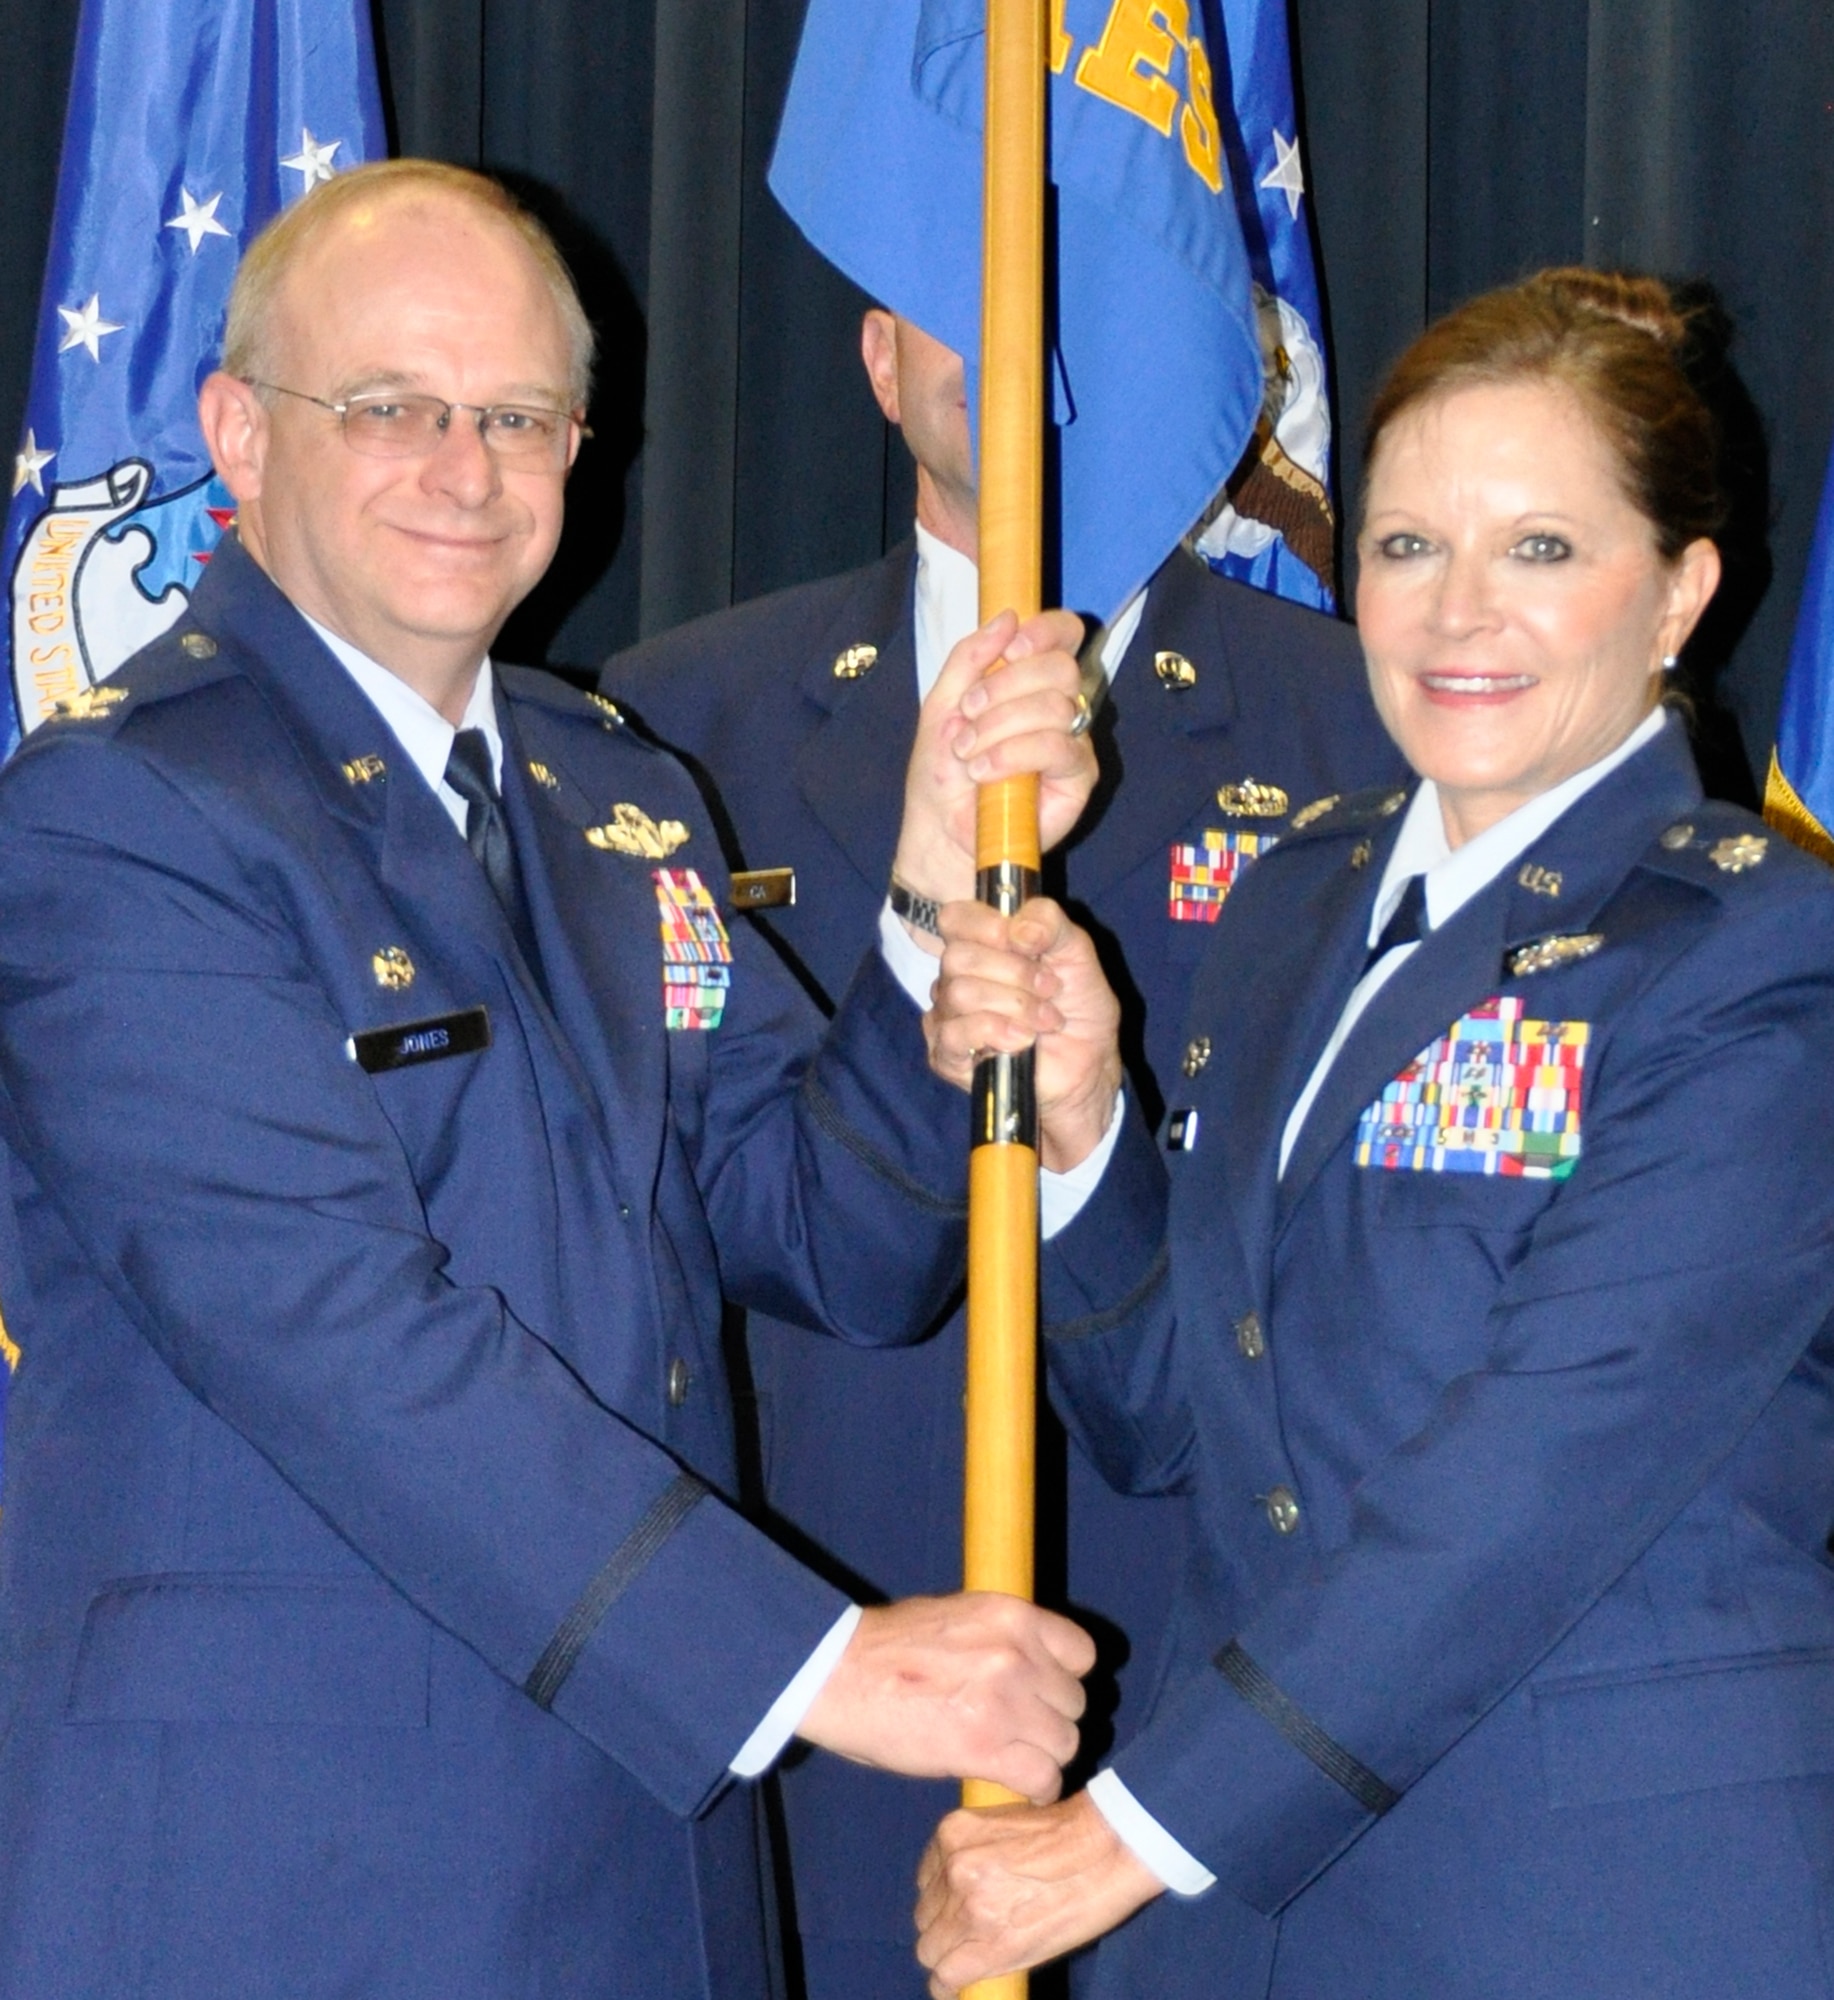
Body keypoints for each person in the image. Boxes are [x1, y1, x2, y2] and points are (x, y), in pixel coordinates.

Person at [0, 161, 1114, 2000]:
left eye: (518, 415)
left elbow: (820, 1235)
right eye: (392, 408)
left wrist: (924, 900)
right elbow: (330, 1329)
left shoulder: (618, 794)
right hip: (292, 1868)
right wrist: (816, 1663)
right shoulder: (123, 817)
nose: (466, 468)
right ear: (236, 432)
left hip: (634, 1861)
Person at [914, 268, 1834, 1999]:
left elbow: (1538, 1477)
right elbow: (1182, 1428)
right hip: (1244, 1916)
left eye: (1540, 550)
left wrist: (1119, 1841)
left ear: (1681, 593)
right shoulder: (1293, 905)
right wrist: (1095, 1135)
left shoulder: (1763, 957)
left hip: (1590, 1905)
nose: (1455, 613)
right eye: (1406, 546)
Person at [604, 307, 1403, 1997]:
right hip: (819, 1650)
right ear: (876, 360)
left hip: (1227, 1689)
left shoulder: (1361, 727)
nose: (1029, 326)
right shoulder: (675, 722)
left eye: (1073, 284)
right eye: (956, 300)